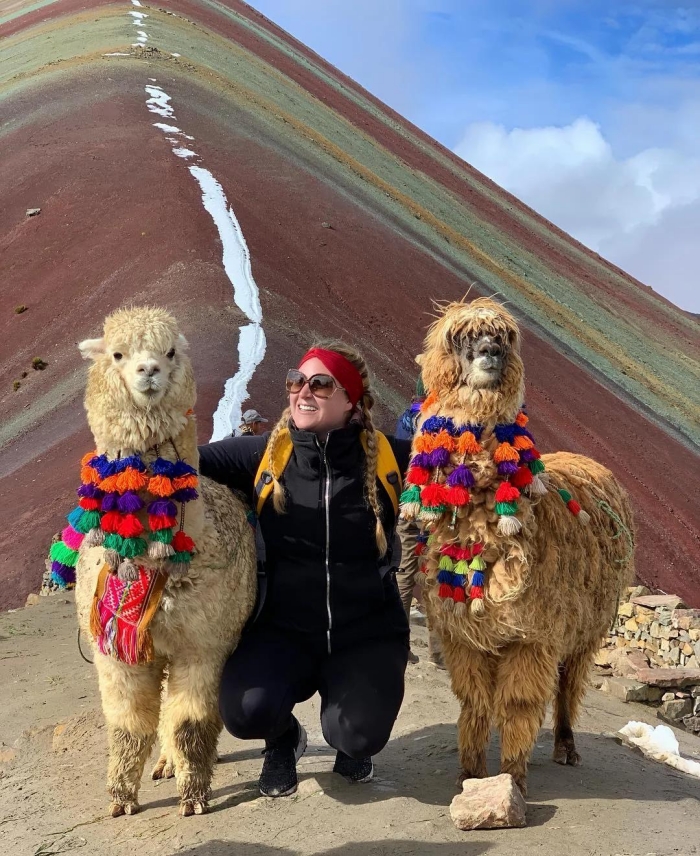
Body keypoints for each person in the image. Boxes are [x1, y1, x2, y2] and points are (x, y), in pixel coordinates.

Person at [198, 343, 411, 798]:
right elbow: (182, 463)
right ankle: (284, 739)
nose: (303, 392)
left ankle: (349, 737)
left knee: (358, 735)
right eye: (297, 381)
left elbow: (463, 471)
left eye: (320, 383)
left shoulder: (394, 459)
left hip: (366, 631)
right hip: (283, 630)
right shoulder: (265, 455)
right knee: (244, 711)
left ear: (351, 400)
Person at [394, 380, 446, 670]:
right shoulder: (440, 419)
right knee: (435, 572)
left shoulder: (406, 418)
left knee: (403, 572)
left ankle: (399, 644)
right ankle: (438, 652)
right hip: (434, 505)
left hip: (408, 501)